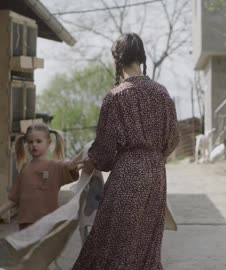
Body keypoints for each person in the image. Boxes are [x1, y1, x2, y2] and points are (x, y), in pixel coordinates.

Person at [72, 33, 180, 270]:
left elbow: (106, 150)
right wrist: (154, 158)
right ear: (141, 58)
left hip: (127, 175)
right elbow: (173, 140)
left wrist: (93, 161)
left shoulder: (116, 97)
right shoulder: (163, 94)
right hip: (156, 175)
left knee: (111, 242)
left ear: (116, 60)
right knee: (145, 243)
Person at [0, 123, 80, 230]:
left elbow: (71, 165)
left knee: (46, 247)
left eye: (39, 141)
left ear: (49, 143)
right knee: (27, 248)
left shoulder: (55, 167)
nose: (34, 145)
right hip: (25, 224)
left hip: (48, 223)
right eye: (30, 142)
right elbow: (14, 198)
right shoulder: (25, 169)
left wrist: (84, 157)